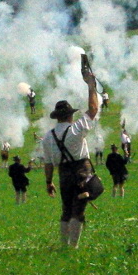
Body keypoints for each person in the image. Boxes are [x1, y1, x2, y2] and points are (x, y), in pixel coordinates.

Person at [42, 68, 101, 248]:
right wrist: (91, 86)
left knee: (66, 210)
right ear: (70, 115)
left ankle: (63, 245)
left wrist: (48, 182)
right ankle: (72, 247)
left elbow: (48, 163)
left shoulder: (48, 137)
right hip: (81, 172)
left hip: (63, 174)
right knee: (78, 210)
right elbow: (93, 109)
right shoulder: (75, 129)